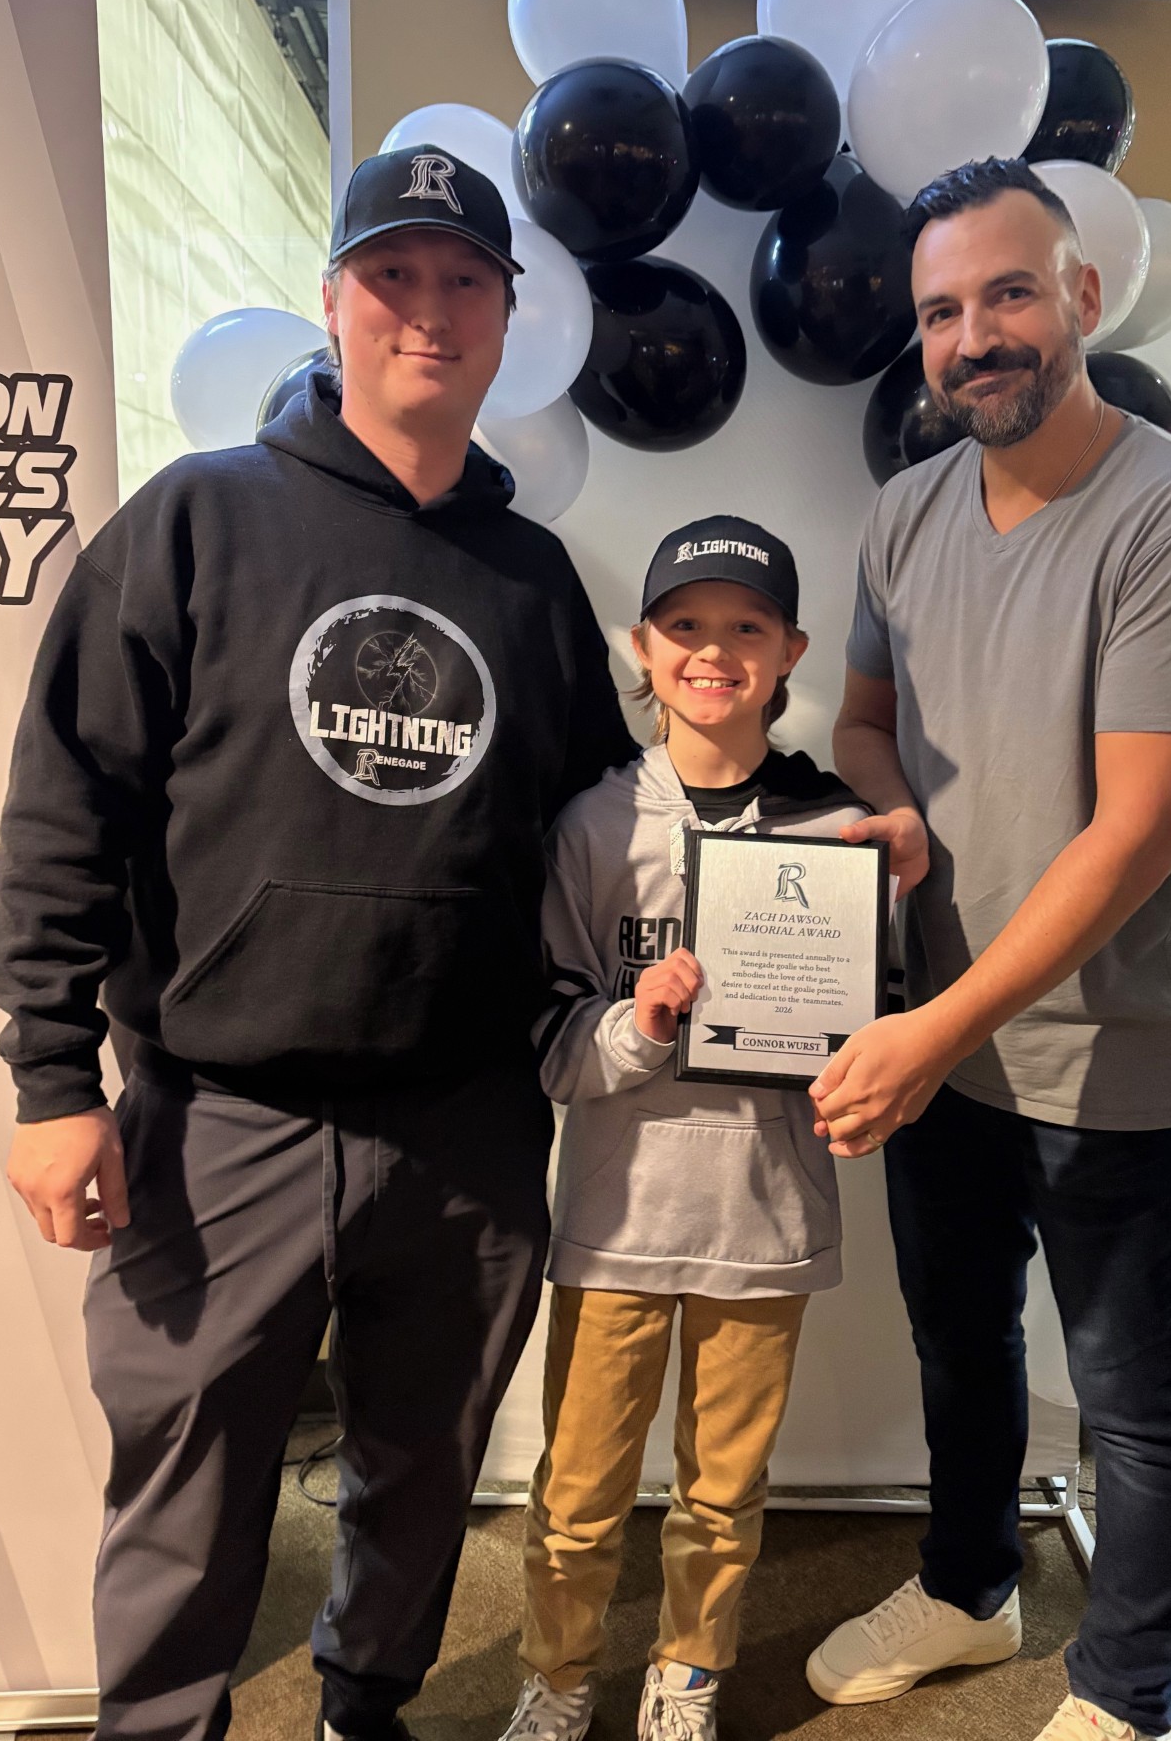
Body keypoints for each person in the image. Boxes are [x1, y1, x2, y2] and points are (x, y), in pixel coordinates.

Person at [0, 146, 635, 1741]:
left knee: (424, 1471)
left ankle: (365, 1706)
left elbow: (609, 826)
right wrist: (53, 1080)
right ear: (335, 302)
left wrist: (805, 830)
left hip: (469, 1129)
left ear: (505, 320)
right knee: (187, 1491)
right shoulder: (195, 521)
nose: (429, 312)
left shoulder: (533, 581)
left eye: (464, 282)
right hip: (221, 1121)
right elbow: (67, 804)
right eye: (392, 276)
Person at [804, 158, 1171, 1741]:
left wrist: (932, 1029)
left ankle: (1127, 1695)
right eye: (942, 310)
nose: (974, 335)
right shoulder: (905, 513)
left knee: (1136, 1401)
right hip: (946, 1048)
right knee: (959, 1347)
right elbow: (863, 726)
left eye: (1008, 293)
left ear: (1080, 297)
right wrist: (894, 812)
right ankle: (969, 1588)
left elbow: (1136, 834)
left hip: (1111, 1062)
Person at [500, 518, 867, 1741]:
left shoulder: (839, 830)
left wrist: (868, 1078)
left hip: (765, 1218)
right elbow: (553, 1043)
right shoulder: (591, 827)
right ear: (643, 648)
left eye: (746, 627)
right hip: (618, 1218)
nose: (715, 651)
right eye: (686, 626)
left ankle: (688, 1673)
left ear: (791, 651)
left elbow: (873, 1028)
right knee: (578, 1492)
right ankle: (559, 1675)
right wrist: (643, 1021)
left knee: (723, 1492)